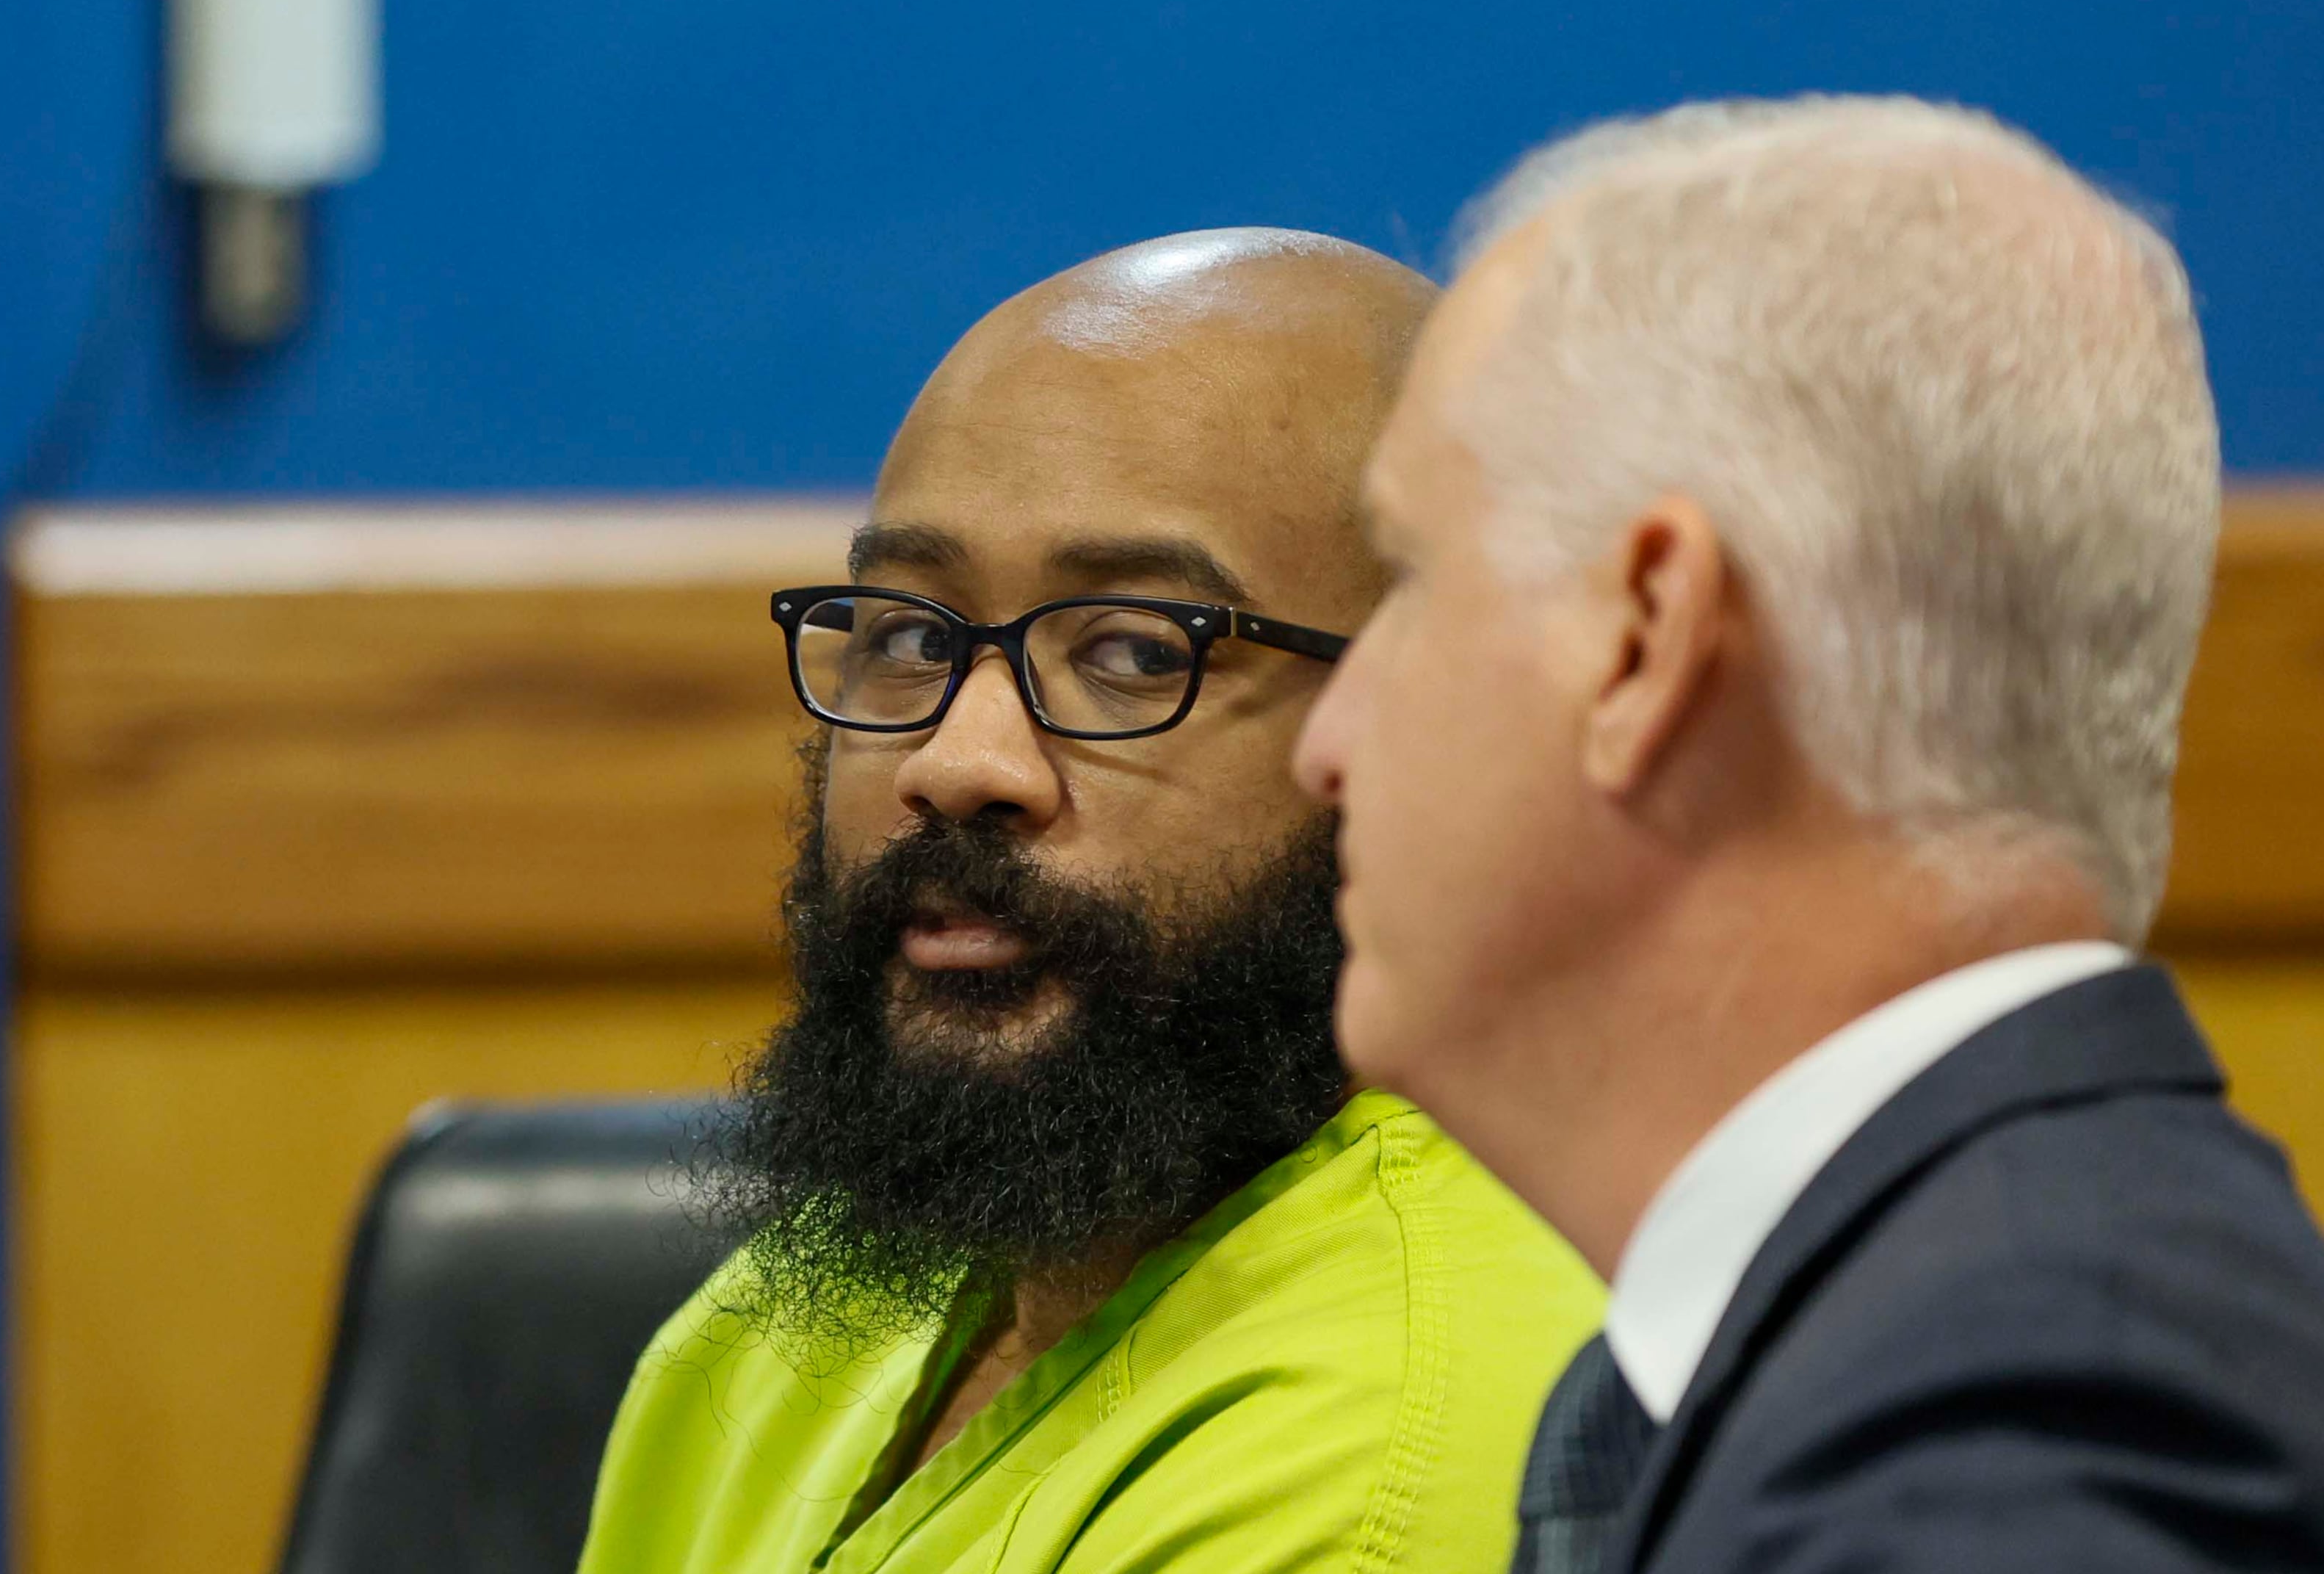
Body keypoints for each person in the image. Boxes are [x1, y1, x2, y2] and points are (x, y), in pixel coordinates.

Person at [1295, 98, 2324, 1573]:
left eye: (1412, 584)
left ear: (1646, 638)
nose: (1326, 745)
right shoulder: (1978, 1327)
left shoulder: (2015, 1437)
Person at [575, 228, 1601, 1574]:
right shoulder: (807, 1308)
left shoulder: (1384, 1452)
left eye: (1128, 652)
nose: (957, 762)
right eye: (906, 636)